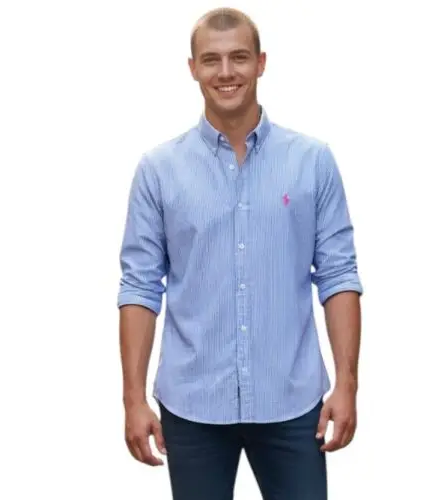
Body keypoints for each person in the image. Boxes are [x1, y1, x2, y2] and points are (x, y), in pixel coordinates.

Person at [117, 7, 363, 500]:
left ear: (261, 63)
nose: (225, 72)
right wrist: (132, 398)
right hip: (192, 405)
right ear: (193, 68)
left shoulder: (312, 161)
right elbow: (140, 286)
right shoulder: (158, 170)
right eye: (211, 60)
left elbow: (338, 275)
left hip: (292, 402)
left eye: (239, 57)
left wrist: (347, 384)